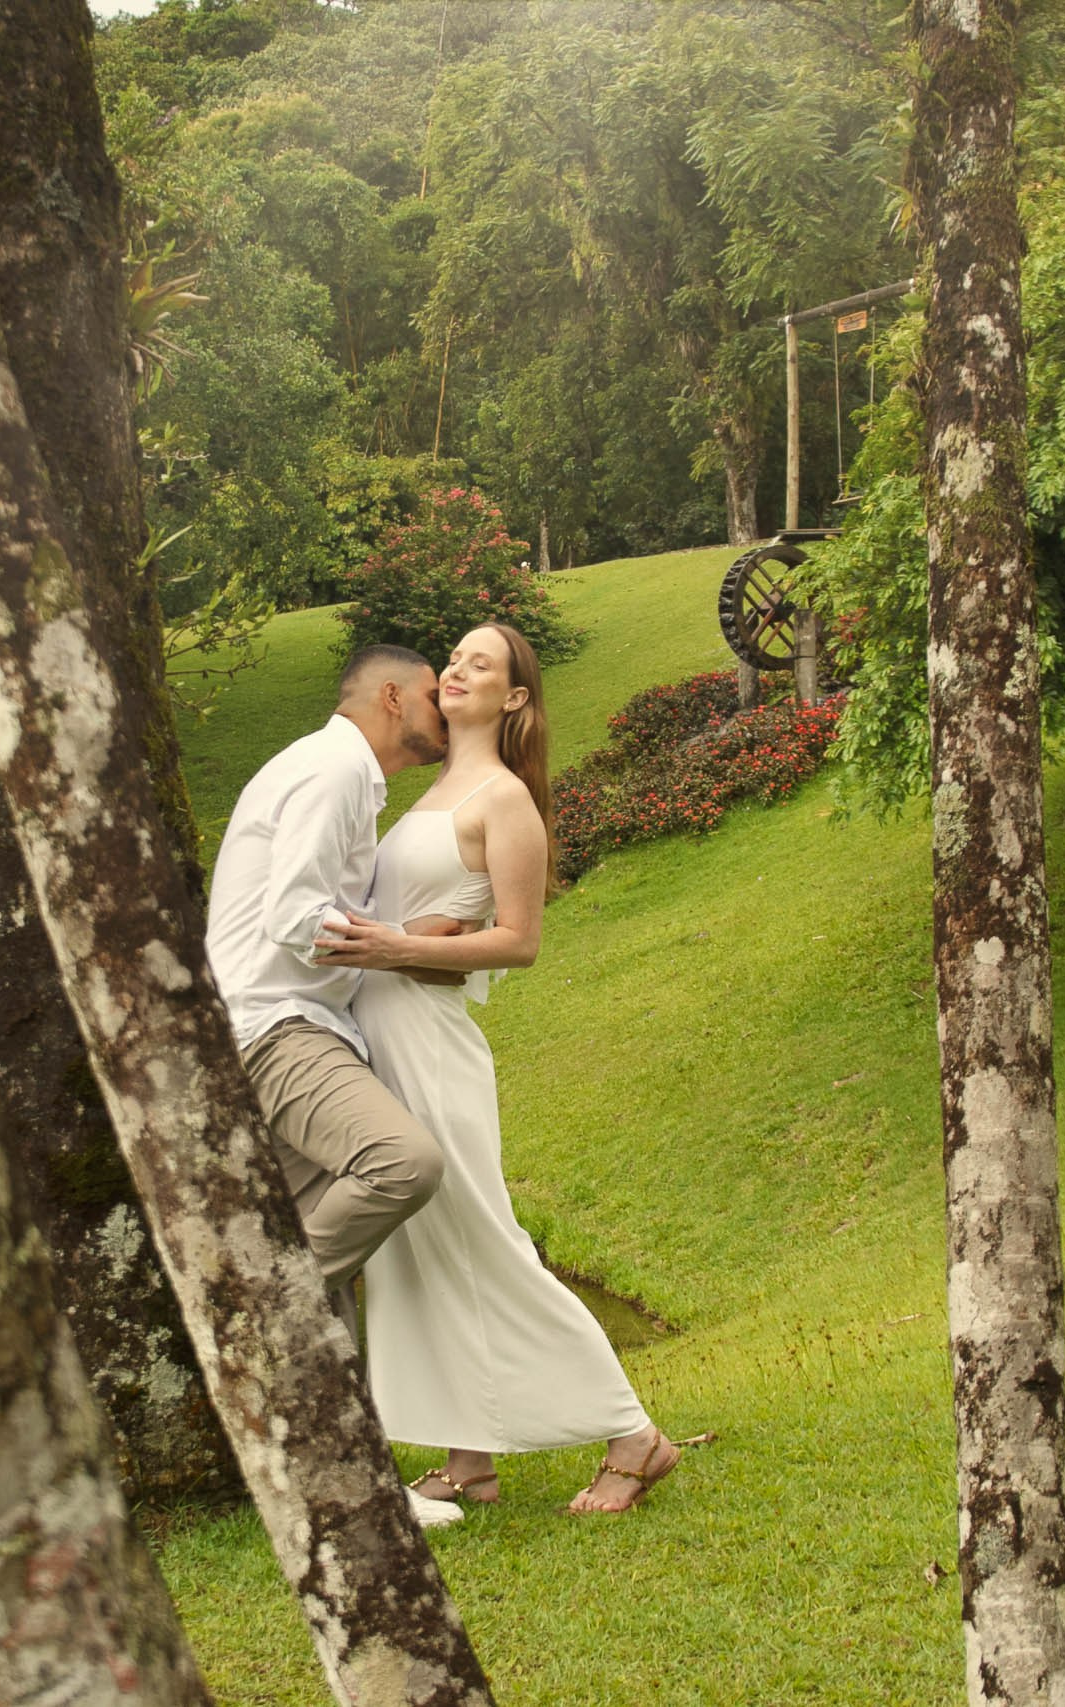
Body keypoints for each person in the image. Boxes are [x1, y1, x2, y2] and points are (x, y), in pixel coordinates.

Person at [313, 624, 684, 1515]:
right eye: (455, 657)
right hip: (383, 1028)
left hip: (432, 1041)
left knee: (482, 1238)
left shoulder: (504, 797)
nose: (456, 669)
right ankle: (467, 1459)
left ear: (515, 697)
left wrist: (403, 946)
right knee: (421, 1249)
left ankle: (635, 1434)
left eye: (481, 663)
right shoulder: (437, 786)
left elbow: (520, 940)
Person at [206, 645, 454, 1315]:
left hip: (281, 1026)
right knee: (403, 1163)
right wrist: (398, 947)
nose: (448, 710)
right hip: (278, 1027)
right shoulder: (334, 769)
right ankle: (259, 1312)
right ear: (393, 698)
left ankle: (328, 1408)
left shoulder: (335, 771)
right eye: (435, 695)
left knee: (308, 1241)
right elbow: (294, 916)